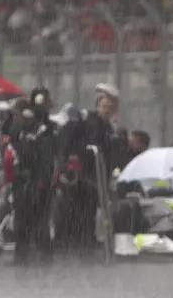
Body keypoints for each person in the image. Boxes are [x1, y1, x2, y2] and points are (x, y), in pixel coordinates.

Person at [57, 84, 118, 251]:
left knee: (89, 213)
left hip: (96, 178)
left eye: (110, 108)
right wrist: (71, 158)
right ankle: (72, 242)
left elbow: (109, 153)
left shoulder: (108, 129)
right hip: (80, 177)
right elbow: (66, 142)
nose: (107, 111)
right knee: (74, 211)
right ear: (97, 106)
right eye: (104, 107)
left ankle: (85, 241)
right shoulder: (84, 122)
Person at [11, 91, 58, 264]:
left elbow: (46, 161)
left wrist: (41, 184)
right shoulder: (20, 131)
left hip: (37, 185)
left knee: (40, 225)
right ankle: (22, 255)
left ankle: (44, 257)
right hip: (23, 185)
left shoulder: (42, 132)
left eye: (17, 115)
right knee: (21, 225)